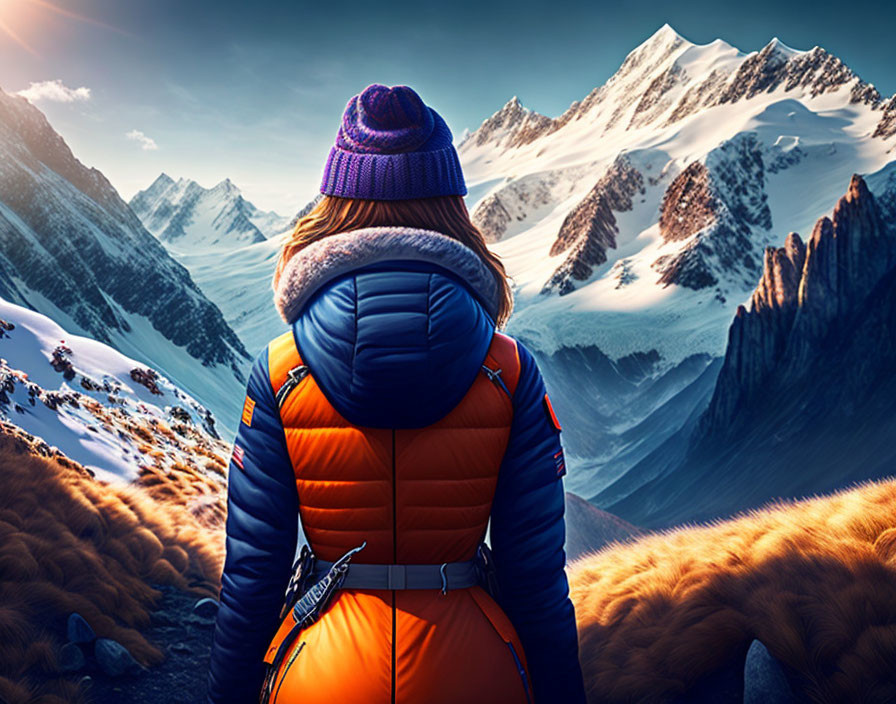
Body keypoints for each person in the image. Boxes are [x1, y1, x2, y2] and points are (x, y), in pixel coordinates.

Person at [206, 84, 586, 704]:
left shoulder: (280, 371)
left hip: (317, 676)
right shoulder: (509, 370)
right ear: (451, 205)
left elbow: (252, 580)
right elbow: (536, 582)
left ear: (334, 203)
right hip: (478, 674)